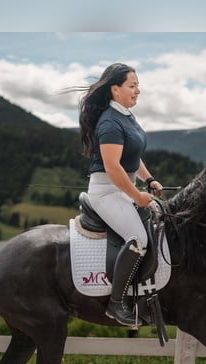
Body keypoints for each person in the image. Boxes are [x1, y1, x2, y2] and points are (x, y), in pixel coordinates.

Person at [77, 63, 163, 327]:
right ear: (115, 89)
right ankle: (116, 304)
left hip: (123, 188)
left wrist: (148, 179)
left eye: (138, 85)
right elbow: (113, 168)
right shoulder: (110, 123)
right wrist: (137, 197)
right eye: (132, 85)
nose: (138, 90)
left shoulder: (126, 116)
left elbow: (132, 157)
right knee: (138, 239)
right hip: (106, 191)